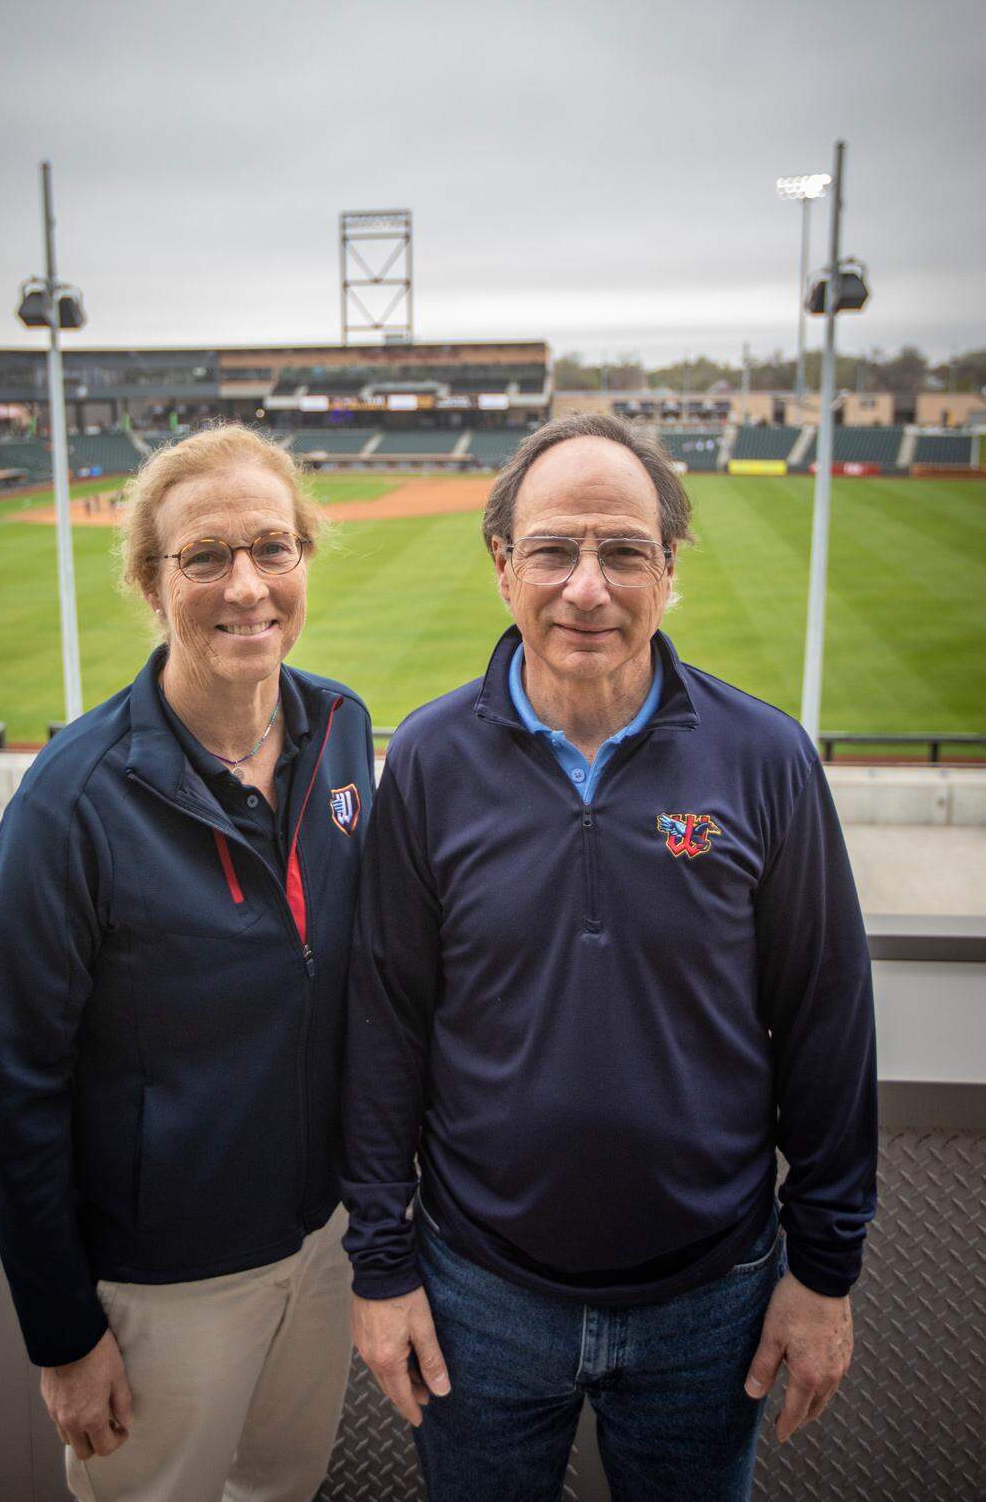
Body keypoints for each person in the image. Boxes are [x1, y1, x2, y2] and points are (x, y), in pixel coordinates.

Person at [342, 412, 877, 1502]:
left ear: (668, 570)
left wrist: (823, 1271)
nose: (588, 585)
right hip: (475, 1298)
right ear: (504, 567)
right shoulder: (433, 756)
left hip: (712, 1299)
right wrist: (381, 1264)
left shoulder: (765, 757)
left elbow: (828, 1022)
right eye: (554, 549)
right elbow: (386, 1022)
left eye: (623, 550)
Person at [0, 423, 375, 1502]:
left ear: (304, 559)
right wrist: (63, 1333)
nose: (247, 585)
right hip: (166, 1286)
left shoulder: (342, 728)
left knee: (283, 1488)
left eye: (273, 547)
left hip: (323, 1245)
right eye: (205, 557)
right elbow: (18, 1086)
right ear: (152, 583)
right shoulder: (72, 800)